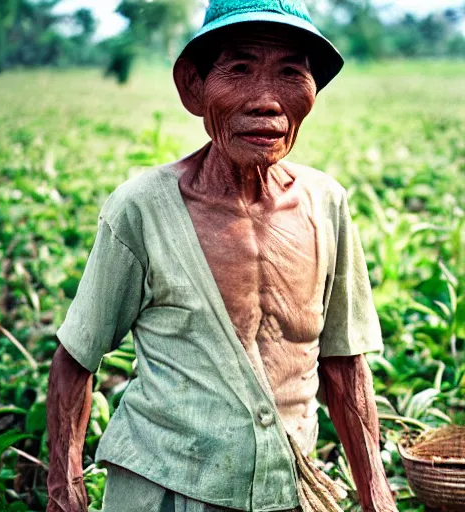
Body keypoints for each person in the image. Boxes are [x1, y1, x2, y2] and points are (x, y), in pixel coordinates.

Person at [46, 1, 398, 511]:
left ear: (312, 92)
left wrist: (376, 492)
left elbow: (345, 365)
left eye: (289, 73)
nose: (265, 102)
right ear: (194, 86)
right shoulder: (141, 209)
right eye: (239, 69)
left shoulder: (327, 204)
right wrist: (65, 490)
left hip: (288, 490)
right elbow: (76, 359)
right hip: (165, 489)